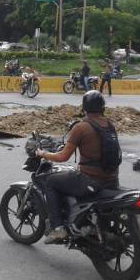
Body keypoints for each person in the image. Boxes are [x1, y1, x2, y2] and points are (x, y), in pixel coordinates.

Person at [36, 91, 119, 243]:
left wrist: (44, 154)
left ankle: (58, 228)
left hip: (91, 180)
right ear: (103, 108)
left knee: (51, 182)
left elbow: (63, 157)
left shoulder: (81, 127)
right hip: (112, 180)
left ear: (84, 108)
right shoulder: (109, 125)